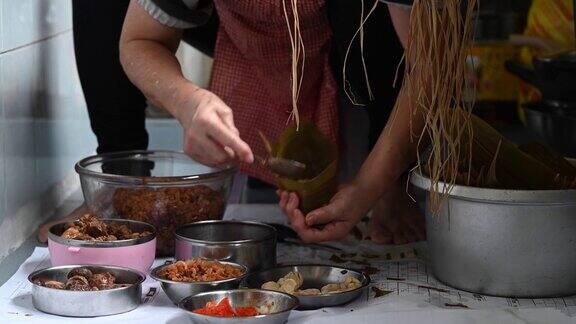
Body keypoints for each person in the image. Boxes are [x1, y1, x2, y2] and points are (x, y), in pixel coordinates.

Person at [119, 0, 424, 244]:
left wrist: (373, 185)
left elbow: (428, 72)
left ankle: (396, 184)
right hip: (255, 60)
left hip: (366, 68)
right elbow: (140, 40)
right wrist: (186, 101)